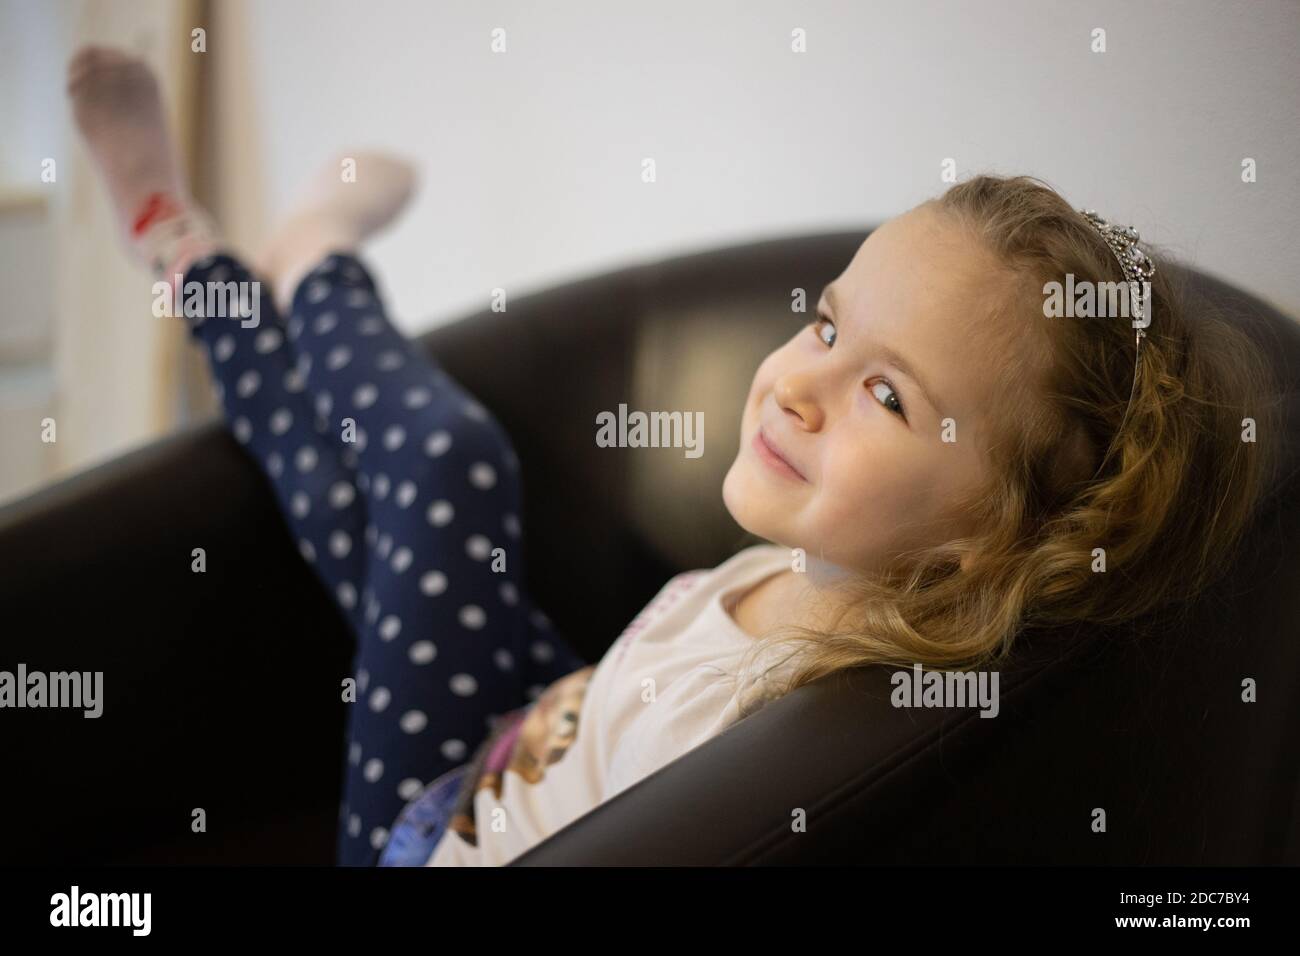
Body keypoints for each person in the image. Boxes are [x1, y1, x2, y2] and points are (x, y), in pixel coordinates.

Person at [67, 46, 1278, 867]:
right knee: (346, 484)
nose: (796, 384)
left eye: (885, 395)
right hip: (538, 720)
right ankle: (187, 255)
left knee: (442, 465)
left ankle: (303, 265)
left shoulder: (812, 717)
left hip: (431, 833)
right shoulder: (826, 563)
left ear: (994, 529)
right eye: (825, 321)